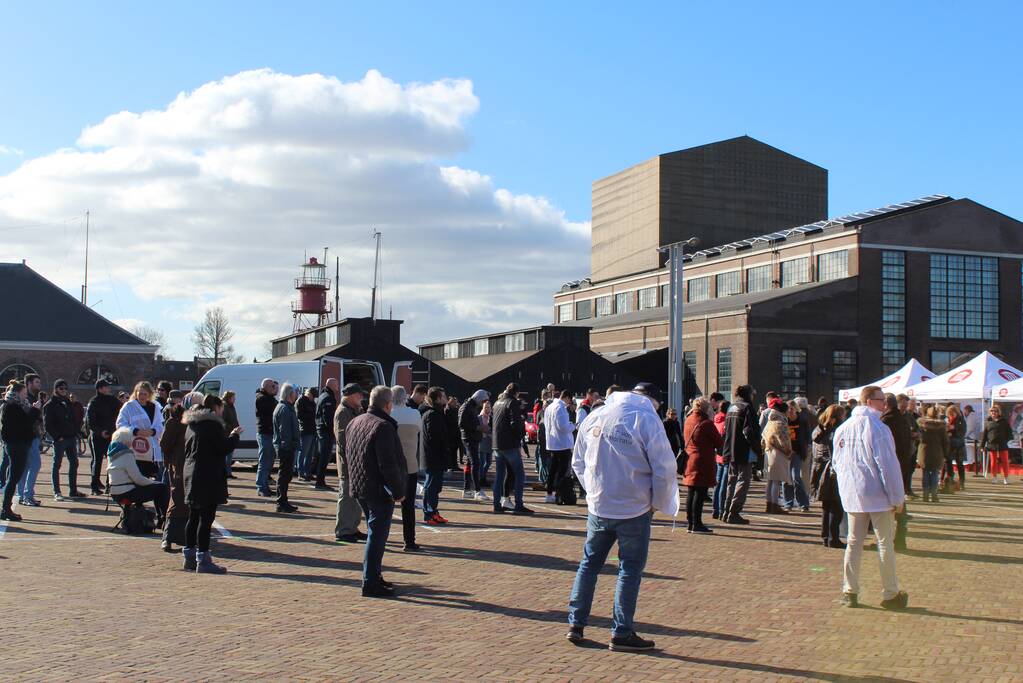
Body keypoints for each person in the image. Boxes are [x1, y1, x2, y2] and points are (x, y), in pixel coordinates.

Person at [566, 382, 679, 651]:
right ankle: (622, 631)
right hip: (634, 508)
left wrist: (593, 491)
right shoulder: (646, 419)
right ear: (653, 401)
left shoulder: (598, 414)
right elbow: (664, 467)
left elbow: (578, 460)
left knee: (589, 564)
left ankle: (576, 623)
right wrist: (658, 503)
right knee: (629, 570)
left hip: (600, 505)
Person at [831, 385, 907, 610]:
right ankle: (890, 592)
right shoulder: (878, 428)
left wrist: (846, 489)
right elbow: (888, 466)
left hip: (853, 492)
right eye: (881, 400)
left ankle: (850, 591)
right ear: (870, 401)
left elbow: (838, 463)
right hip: (877, 494)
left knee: (854, 542)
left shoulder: (844, 428)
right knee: (884, 542)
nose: (885, 404)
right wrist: (897, 497)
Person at [346, 386, 407, 598]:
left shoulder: (355, 421)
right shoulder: (383, 426)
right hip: (378, 488)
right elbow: (388, 464)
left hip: (361, 485)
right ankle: (370, 581)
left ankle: (373, 574)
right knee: (377, 536)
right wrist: (399, 490)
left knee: (376, 533)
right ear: (388, 404)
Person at [182, 394, 242, 574]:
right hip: (207, 475)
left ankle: (189, 557)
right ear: (216, 408)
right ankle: (203, 559)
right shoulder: (212, 425)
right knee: (206, 519)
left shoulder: (192, 425)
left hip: (191, 472)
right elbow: (222, 448)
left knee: (193, 517)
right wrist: (234, 436)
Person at [106, 427, 170, 525]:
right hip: (127, 492)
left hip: (115, 493)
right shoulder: (126, 454)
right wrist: (153, 482)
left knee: (143, 488)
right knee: (162, 488)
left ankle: (129, 519)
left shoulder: (111, 454)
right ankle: (164, 519)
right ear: (127, 440)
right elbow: (138, 479)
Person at [1, 381, 42, 521]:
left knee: (14, 477)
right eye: (24, 393)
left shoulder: (16, 405)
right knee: (13, 478)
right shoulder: (12, 406)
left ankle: (6, 508)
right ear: (18, 393)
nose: (26, 396)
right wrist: (35, 410)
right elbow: (24, 424)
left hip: (18, 444)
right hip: (16, 444)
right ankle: (6, 509)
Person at [722, 385, 762, 525]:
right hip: (744, 450)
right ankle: (734, 512)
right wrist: (757, 448)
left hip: (731, 448)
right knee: (743, 480)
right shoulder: (747, 408)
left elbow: (726, 430)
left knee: (731, 480)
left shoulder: (731, 407)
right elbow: (749, 431)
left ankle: (726, 510)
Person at [491, 383, 533, 516]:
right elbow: (515, 423)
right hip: (509, 443)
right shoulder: (512, 402)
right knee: (519, 473)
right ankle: (518, 504)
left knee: (499, 475)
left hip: (497, 443)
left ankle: (497, 504)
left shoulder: (497, 402)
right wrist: (520, 434)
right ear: (516, 393)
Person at [682, 397, 722, 533]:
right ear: (706, 409)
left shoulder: (688, 420)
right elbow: (718, 442)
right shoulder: (706, 423)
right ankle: (697, 524)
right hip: (702, 460)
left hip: (689, 459)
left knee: (691, 492)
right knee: (700, 493)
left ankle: (690, 523)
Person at [390, 386, 422, 551]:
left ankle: (382, 538)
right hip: (410, 464)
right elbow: (419, 431)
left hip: (390, 465)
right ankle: (409, 541)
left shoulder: (388, 414)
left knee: (385, 505)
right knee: (408, 506)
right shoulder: (414, 414)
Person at [334, 383, 367, 542]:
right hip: (348, 463)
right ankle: (343, 530)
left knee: (355, 498)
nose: (362, 398)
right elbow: (343, 439)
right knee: (346, 497)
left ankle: (353, 527)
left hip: (356, 462)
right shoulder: (343, 412)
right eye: (359, 395)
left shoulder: (354, 411)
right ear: (352, 395)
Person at [810, 404, 846, 549]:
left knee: (827, 506)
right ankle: (833, 538)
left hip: (819, 470)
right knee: (836, 506)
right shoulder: (837, 430)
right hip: (831, 472)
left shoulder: (819, 429)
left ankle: (826, 536)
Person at [159, 390, 190, 553]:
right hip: (177, 465)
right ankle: (167, 537)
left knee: (186, 501)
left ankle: (184, 537)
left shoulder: (191, 421)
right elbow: (164, 444)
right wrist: (171, 460)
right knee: (176, 499)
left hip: (189, 465)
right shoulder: (174, 421)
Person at [880, 394, 912, 551]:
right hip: (902, 464)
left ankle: (890, 541)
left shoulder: (886, 421)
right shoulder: (902, 419)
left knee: (890, 504)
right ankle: (899, 539)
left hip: (892, 465)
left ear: (886, 404)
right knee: (900, 502)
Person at [44, 379, 84, 501]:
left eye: (66, 388)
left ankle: (73, 490)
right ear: (55, 389)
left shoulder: (67, 402)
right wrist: (57, 437)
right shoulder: (50, 405)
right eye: (61, 388)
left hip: (71, 437)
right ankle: (57, 492)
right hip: (60, 440)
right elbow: (48, 424)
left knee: (74, 463)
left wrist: (76, 431)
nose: (64, 391)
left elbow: (73, 418)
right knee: (57, 465)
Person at [116, 381, 165, 479]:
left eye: (145, 394)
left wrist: (153, 431)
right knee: (136, 475)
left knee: (151, 476)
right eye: (140, 393)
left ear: (149, 395)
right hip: (135, 447)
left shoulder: (155, 407)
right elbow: (120, 424)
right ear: (136, 393)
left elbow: (160, 425)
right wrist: (136, 431)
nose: (142, 396)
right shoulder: (129, 407)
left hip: (151, 447)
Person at [420, 386, 450, 525]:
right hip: (433, 458)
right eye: (443, 396)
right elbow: (435, 437)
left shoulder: (438, 413)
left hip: (438, 458)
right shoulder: (432, 414)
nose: (446, 398)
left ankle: (434, 511)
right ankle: (429, 513)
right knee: (431, 486)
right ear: (437, 398)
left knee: (436, 486)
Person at [86, 379, 120, 495]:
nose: (108, 389)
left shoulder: (113, 400)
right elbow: (90, 422)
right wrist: (100, 432)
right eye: (106, 387)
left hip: (111, 434)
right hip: (97, 436)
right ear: (100, 389)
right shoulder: (94, 402)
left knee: (111, 461)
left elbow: (120, 412)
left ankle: (109, 485)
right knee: (98, 461)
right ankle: (94, 487)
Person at [272, 383, 301, 513]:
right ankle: (281, 502)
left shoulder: (286, 407)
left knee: (285, 475)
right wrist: (288, 446)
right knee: (284, 475)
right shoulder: (284, 409)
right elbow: (285, 431)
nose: (296, 394)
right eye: (295, 392)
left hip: (287, 446)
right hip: (286, 447)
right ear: (290, 394)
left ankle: (283, 500)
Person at [544, 390, 576, 505]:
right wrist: (573, 426)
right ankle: (559, 494)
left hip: (552, 443)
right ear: (566, 397)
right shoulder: (560, 407)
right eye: (569, 399)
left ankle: (549, 494)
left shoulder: (550, 407)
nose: (569, 402)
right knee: (562, 471)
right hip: (562, 444)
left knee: (552, 470)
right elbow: (563, 427)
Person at [458, 389, 490, 500]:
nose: (483, 404)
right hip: (469, 438)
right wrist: (478, 427)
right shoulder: (467, 406)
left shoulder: (470, 406)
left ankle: (467, 490)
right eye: (483, 401)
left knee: (470, 463)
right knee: (475, 463)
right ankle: (477, 490)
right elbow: (461, 423)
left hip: (471, 438)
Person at [762, 405, 792, 514]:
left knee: (770, 480)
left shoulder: (770, 421)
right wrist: (789, 451)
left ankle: (769, 504)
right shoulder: (781, 422)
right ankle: (775, 505)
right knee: (776, 480)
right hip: (778, 453)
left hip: (768, 451)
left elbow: (763, 437)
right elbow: (784, 440)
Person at [783, 399, 811, 512]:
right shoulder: (784, 421)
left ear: (796, 409)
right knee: (786, 478)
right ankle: (788, 503)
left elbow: (808, 436)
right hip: (786, 452)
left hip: (798, 452)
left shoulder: (802, 420)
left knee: (796, 477)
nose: (790, 410)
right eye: (788, 408)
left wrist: (808, 447)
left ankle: (803, 503)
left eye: (792, 408)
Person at [917, 405, 948, 503]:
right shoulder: (941, 426)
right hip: (937, 450)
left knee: (925, 472)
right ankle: (934, 495)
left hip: (924, 450)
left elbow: (918, 439)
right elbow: (945, 441)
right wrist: (946, 454)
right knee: (935, 473)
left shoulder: (921, 425)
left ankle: (925, 495)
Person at [254, 378, 279, 497]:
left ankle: (264, 486)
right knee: (264, 461)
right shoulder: (261, 399)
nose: (275, 388)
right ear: (265, 387)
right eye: (272, 386)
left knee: (269, 461)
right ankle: (261, 487)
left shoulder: (269, 399)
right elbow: (272, 411)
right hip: (265, 433)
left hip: (270, 433)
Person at [314, 378, 339, 489]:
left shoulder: (323, 396)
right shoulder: (328, 397)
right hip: (325, 432)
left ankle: (319, 480)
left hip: (321, 430)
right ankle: (320, 482)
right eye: (337, 384)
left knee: (322, 456)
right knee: (324, 457)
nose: (338, 386)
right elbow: (328, 418)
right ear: (332, 385)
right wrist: (333, 429)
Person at [981, 404, 1012, 485]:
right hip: (992, 445)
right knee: (993, 462)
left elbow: (1009, 433)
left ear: (999, 412)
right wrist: (982, 446)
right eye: (992, 411)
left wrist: (1005, 440)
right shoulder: (988, 422)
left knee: (1005, 461)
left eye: (995, 411)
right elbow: (984, 435)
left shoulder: (1004, 421)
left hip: (1002, 444)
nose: (993, 412)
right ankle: (994, 477)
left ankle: (1006, 478)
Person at [296, 386, 318, 482]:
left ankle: (307, 472)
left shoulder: (311, 402)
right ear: (310, 394)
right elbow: (299, 415)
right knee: (303, 453)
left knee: (309, 454)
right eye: (313, 396)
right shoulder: (301, 401)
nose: (314, 399)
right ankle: (301, 473)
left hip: (312, 430)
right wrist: (312, 416)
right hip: (305, 430)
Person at [711, 400, 729, 519]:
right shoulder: (726, 421)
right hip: (725, 455)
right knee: (724, 483)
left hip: (718, 455)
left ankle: (715, 508)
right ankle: (722, 508)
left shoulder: (715, 420)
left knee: (717, 483)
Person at [945, 405, 967, 492]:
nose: (951, 415)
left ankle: (962, 482)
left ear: (956, 412)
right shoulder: (947, 420)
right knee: (948, 463)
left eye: (952, 413)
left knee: (959, 464)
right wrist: (947, 432)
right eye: (949, 414)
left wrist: (954, 429)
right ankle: (950, 481)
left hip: (959, 445)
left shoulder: (961, 420)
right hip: (949, 445)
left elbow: (963, 432)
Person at [221, 390, 239, 478]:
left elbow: (234, 418)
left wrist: (237, 426)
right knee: (227, 456)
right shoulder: (224, 406)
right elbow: (222, 421)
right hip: (227, 434)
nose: (234, 399)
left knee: (230, 456)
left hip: (232, 433)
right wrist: (231, 427)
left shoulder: (231, 406)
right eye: (233, 398)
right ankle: (226, 473)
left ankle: (228, 472)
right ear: (229, 398)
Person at [662, 408, 684, 473]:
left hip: (675, 444)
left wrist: (682, 444)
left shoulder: (676, 423)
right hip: (667, 444)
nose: (674, 415)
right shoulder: (665, 423)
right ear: (668, 414)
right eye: (672, 414)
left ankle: (672, 472)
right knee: (667, 460)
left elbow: (679, 434)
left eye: (675, 414)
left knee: (674, 459)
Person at [963, 404, 982, 477]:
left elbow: (969, 429)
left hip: (972, 438)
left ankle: (974, 469)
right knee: (974, 456)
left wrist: (964, 436)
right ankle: (973, 468)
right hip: (973, 437)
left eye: (965, 411)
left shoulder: (971, 416)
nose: (964, 413)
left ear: (967, 410)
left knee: (973, 456)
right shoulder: (974, 416)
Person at [478, 399, 493, 488]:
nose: (487, 409)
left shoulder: (492, 417)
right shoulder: (479, 417)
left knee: (489, 462)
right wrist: (481, 432)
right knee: (482, 461)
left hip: (490, 441)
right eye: (485, 407)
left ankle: (482, 477)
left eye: (488, 407)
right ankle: (482, 479)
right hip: (482, 441)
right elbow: (476, 428)